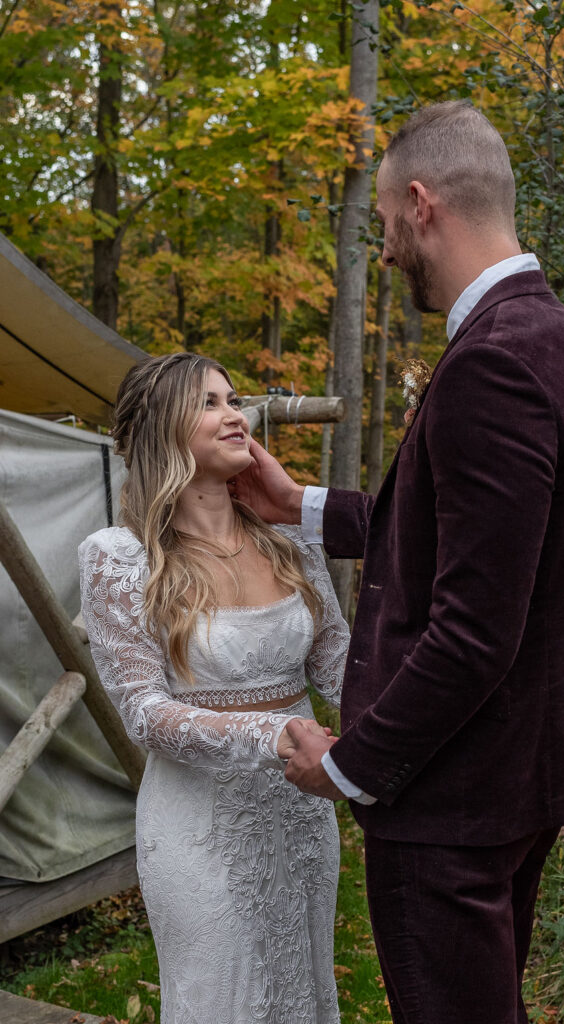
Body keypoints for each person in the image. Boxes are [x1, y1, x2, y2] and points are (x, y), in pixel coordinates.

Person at [232, 101, 564, 1024]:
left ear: (420, 204)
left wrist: (351, 767)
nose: (388, 251)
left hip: (452, 795)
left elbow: (474, 629)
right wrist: (303, 507)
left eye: (382, 228)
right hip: (523, 773)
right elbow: (475, 536)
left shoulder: (493, 364)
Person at [78, 352, 349, 1024]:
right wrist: (273, 733)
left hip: (302, 817)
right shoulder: (120, 557)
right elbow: (144, 713)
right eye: (208, 402)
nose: (234, 414)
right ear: (160, 430)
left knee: (302, 995)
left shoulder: (291, 537)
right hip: (199, 827)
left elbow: (344, 667)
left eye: (233, 399)